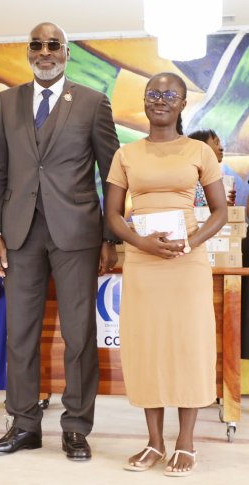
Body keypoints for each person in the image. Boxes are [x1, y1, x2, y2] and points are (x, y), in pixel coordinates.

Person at [0, 21, 119, 461]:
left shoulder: (93, 102)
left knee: (79, 334)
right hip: (19, 233)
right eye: (37, 45)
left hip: (77, 233)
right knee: (19, 332)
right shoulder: (7, 102)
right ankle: (24, 424)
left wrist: (109, 236)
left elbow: (112, 172)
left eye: (53, 45)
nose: (44, 52)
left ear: (66, 52)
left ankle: (76, 427)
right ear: (28, 52)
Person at [106, 72, 227, 476]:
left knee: (188, 345)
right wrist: (140, 243)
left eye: (169, 95)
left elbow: (219, 211)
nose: (160, 100)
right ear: (144, 100)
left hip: (186, 263)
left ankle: (186, 442)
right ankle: (154, 442)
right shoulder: (126, 154)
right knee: (148, 347)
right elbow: (112, 214)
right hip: (143, 263)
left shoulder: (199, 151)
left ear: (182, 104)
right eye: (153, 94)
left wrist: (190, 242)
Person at [188, 129, 236, 206]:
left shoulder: (217, 179)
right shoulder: (190, 180)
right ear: (202, 148)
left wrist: (228, 204)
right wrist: (219, 206)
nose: (221, 148)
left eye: (220, 143)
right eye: (216, 143)